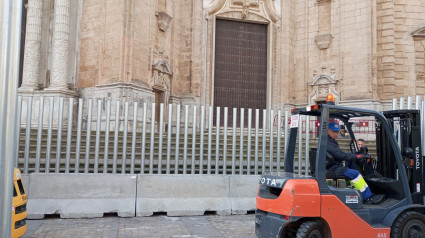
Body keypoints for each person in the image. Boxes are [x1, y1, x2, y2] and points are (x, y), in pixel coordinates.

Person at [327, 122, 384, 204]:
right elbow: (341, 155)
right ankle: (368, 197)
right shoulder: (329, 143)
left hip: (333, 167)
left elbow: (339, 154)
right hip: (335, 169)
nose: (336, 134)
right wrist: (355, 156)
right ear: (328, 130)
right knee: (355, 174)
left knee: (352, 174)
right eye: (334, 132)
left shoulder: (330, 141)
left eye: (337, 132)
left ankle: (359, 193)